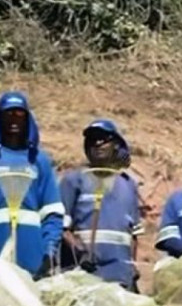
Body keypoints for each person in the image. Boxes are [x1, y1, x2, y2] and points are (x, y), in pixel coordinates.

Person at [0, 91, 64, 277]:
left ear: (27, 119)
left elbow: (52, 212)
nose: (14, 120)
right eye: (8, 114)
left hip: (32, 254)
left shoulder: (39, 160)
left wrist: (48, 251)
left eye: (19, 114)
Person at [58, 119, 144, 289]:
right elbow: (62, 228)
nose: (97, 144)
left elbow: (133, 233)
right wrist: (80, 253)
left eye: (103, 139)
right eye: (92, 140)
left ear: (116, 145)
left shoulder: (128, 184)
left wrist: (132, 265)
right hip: (84, 275)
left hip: (120, 275)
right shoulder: (73, 180)